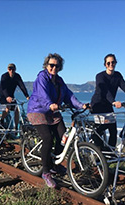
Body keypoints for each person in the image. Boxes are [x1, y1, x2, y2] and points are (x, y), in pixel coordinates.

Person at [27, 53, 87, 188]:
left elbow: (69, 95)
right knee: (48, 138)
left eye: (57, 65)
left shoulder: (59, 81)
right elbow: (42, 94)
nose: (54, 68)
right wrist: (50, 104)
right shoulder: (42, 77)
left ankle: (55, 165)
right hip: (37, 110)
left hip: (52, 111)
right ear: (46, 65)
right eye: (51, 65)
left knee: (63, 136)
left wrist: (81, 105)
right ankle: (46, 172)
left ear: (60, 67)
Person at [90, 53, 125, 148]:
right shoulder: (100, 76)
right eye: (108, 63)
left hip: (108, 105)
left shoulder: (118, 75)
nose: (111, 64)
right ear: (105, 64)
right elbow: (105, 91)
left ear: (116, 63)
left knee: (113, 130)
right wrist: (113, 102)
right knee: (101, 129)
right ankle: (99, 154)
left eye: (113, 62)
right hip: (98, 105)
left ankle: (110, 154)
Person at [0, 63, 30, 129]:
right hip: (2, 96)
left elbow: (22, 86)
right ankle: (1, 120)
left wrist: (27, 96)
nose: (11, 71)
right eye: (10, 69)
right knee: (8, 106)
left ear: (15, 70)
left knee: (17, 109)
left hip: (11, 97)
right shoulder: (4, 76)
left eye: (13, 69)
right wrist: (7, 96)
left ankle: (16, 127)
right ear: (7, 69)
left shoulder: (17, 76)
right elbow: (4, 88)